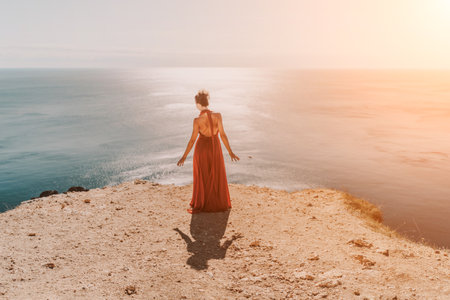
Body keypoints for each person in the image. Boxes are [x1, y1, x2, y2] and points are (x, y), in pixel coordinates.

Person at [177, 90, 239, 214]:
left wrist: (184, 157)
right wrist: (230, 152)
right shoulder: (218, 116)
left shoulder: (197, 120)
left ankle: (202, 201)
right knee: (216, 174)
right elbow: (223, 135)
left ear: (199, 104)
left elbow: (192, 140)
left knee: (202, 175)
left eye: (196, 104)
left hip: (201, 150)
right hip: (215, 148)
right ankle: (218, 201)